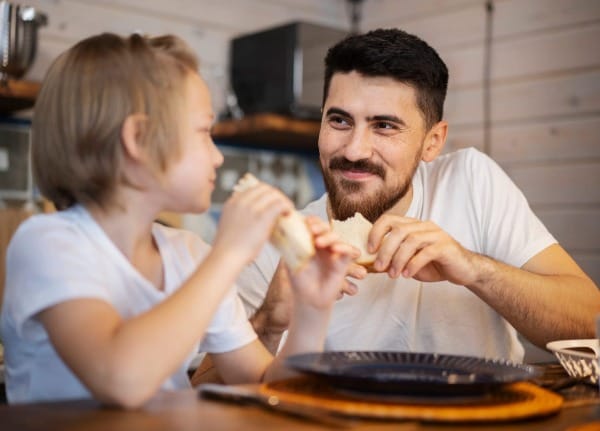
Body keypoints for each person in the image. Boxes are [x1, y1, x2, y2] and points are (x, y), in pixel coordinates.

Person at [0, 33, 355, 407]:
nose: (217, 158)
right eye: (204, 132)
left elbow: (269, 384)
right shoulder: (48, 243)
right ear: (138, 138)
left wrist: (313, 308)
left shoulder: (189, 255)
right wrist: (228, 253)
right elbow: (120, 380)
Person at [216, 28, 600, 367]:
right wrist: (269, 321)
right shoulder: (275, 242)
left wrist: (473, 268)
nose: (354, 150)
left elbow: (590, 322)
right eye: (340, 120)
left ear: (432, 141)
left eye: (384, 126)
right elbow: (204, 388)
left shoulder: (470, 180)